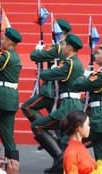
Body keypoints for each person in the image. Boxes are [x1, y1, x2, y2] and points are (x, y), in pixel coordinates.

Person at [32, 33, 85, 174]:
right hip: (71, 103)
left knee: (37, 126)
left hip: (68, 105)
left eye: (64, 45)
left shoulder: (69, 64)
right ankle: (61, 164)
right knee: (66, 138)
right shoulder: (75, 62)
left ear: (69, 47)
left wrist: (52, 69)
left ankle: (60, 159)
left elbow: (44, 75)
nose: (62, 48)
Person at [75, 43, 102, 165]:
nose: (95, 55)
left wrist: (83, 76)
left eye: (98, 53)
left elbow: (78, 85)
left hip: (100, 117)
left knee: (70, 140)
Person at [0, 28, 21, 162]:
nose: (1, 41)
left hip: (3, 98)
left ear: (8, 42)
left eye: (3, 39)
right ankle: (13, 165)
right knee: (8, 137)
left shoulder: (7, 56)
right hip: (9, 98)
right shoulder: (13, 55)